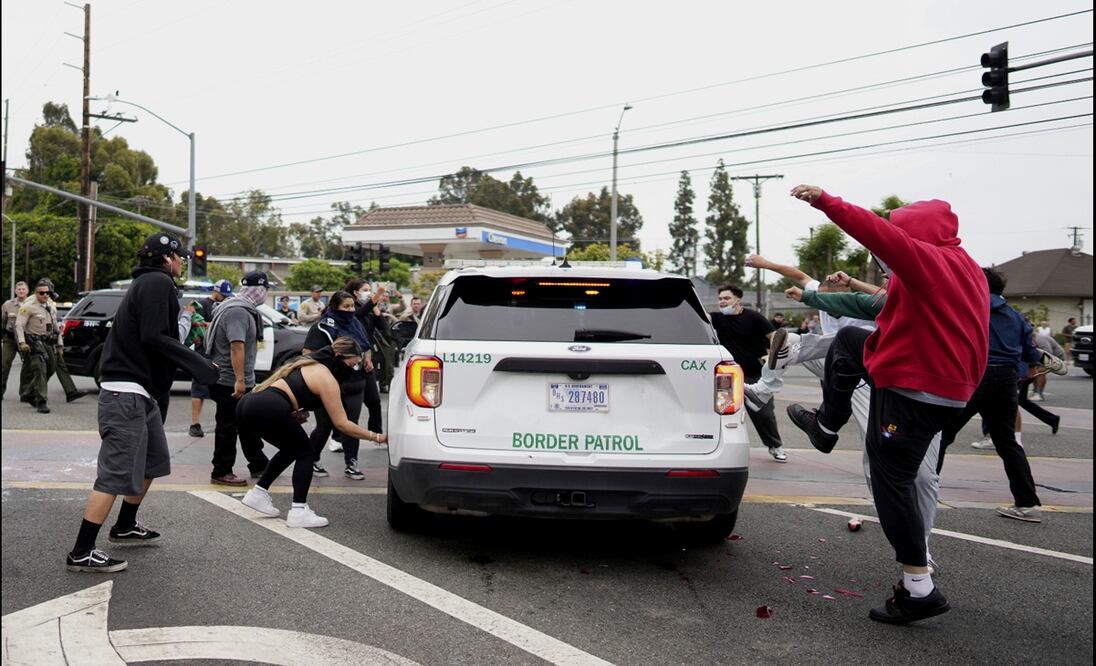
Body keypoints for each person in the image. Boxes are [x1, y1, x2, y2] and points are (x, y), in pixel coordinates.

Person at [785, 184, 987, 625]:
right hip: (947, 389)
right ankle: (826, 423)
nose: (884, 264)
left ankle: (919, 587)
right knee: (849, 339)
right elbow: (878, 302)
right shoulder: (965, 266)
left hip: (915, 392)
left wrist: (824, 200)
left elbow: (875, 232)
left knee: (891, 482)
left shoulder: (925, 260)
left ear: (914, 238)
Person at [65, 232, 218, 573]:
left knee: (153, 462)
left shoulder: (154, 284)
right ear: (167, 258)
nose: (183, 264)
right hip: (125, 394)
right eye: (181, 258)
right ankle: (82, 550)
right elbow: (154, 336)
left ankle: (124, 525)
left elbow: (154, 339)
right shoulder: (155, 282)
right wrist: (201, 366)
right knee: (115, 473)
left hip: (141, 393)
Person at [936, 268, 1060, 523]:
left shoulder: (968, 306)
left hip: (975, 375)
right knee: (1007, 442)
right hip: (1006, 379)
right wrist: (1038, 360)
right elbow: (1029, 352)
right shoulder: (1016, 317)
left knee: (941, 436)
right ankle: (1027, 504)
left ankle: (920, 494)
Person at [239, 337, 387, 527]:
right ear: (339, 357)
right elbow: (342, 424)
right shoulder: (325, 376)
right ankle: (299, 511)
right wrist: (378, 437)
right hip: (267, 405)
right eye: (352, 364)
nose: (354, 370)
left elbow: (289, 390)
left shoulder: (309, 364)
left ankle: (258, 493)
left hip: (250, 403)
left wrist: (292, 410)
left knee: (292, 449)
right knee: (306, 452)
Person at [205, 271, 272, 485]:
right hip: (229, 380)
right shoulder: (238, 311)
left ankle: (259, 464)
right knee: (228, 426)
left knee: (248, 422)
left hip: (235, 378)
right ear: (258, 289)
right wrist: (240, 380)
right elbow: (236, 346)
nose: (265, 294)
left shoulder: (242, 308)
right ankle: (221, 470)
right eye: (265, 289)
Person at [710, 284, 787, 462]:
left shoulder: (754, 318)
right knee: (723, 413)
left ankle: (775, 446)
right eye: (720, 299)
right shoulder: (717, 319)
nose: (722, 302)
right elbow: (701, 316)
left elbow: (775, 336)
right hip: (728, 377)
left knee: (764, 414)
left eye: (726, 298)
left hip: (755, 376)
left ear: (738, 299)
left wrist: (772, 355)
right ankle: (721, 449)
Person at [302, 290, 372, 480]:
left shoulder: (355, 323)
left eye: (352, 306)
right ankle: (313, 459)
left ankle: (352, 464)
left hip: (355, 382)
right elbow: (308, 354)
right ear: (334, 307)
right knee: (324, 426)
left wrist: (367, 359)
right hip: (328, 385)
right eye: (345, 307)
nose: (350, 311)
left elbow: (365, 346)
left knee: (351, 424)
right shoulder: (322, 327)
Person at [15, 278, 66, 413]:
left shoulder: (50, 306)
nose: (45, 295)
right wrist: (22, 342)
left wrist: (60, 345)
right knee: (40, 369)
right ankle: (41, 401)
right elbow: (19, 325)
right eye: (41, 293)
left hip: (48, 342)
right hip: (34, 343)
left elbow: (55, 327)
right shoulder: (28, 306)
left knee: (52, 368)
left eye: (47, 293)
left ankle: (29, 392)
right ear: (36, 293)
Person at [190, 280, 233, 438]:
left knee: (220, 388)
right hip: (202, 352)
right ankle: (195, 424)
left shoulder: (226, 305)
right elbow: (196, 324)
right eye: (222, 294)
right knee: (199, 389)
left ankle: (221, 423)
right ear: (215, 291)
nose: (224, 297)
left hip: (218, 353)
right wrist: (214, 325)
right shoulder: (202, 304)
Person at [2, 281, 30, 398]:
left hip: (26, 339)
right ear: (15, 291)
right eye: (19, 289)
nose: (21, 291)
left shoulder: (31, 304)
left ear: (27, 291)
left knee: (28, 366)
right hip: (10, 339)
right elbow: (3, 320)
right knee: (4, 363)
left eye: (23, 289)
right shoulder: (7, 304)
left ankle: (25, 392)